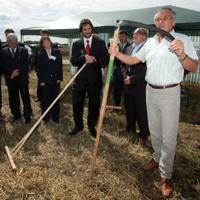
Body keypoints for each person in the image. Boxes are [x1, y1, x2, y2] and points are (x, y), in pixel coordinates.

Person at [109, 7, 198, 198]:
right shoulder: (149, 42)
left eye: (165, 19)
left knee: (168, 136)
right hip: (150, 91)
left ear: (173, 22)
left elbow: (193, 66)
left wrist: (182, 54)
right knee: (155, 131)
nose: (160, 22)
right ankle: (157, 157)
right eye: (157, 19)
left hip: (170, 92)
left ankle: (166, 176)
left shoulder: (182, 39)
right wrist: (117, 54)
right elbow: (134, 59)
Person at [70, 18, 108, 137]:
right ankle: (78, 126)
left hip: (94, 80)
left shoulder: (100, 43)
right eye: (85, 29)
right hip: (80, 79)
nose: (87, 31)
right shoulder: (76, 44)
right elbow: (73, 60)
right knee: (77, 103)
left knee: (94, 104)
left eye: (89, 28)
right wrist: (83, 58)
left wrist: (95, 60)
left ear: (92, 29)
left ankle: (91, 126)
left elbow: (105, 59)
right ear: (81, 31)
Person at [123, 28, 149, 145]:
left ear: (144, 36)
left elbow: (147, 70)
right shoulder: (129, 48)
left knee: (141, 110)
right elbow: (123, 64)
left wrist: (132, 79)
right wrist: (124, 76)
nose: (133, 36)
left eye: (136, 34)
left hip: (140, 85)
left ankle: (143, 134)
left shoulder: (148, 49)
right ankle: (130, 129)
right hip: (127, 84)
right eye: (133, 34)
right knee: (129, 108)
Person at [1, 33, 32, 123]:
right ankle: (16, 115)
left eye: (15, 43)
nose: (14, 45)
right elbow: (2, 65)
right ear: (8, 42)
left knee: (25, 96)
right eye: (12, 44)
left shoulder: (24, 51)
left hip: (22, 77)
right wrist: (11, 73)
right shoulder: (3, 51)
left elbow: (26, 64)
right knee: (13, 97)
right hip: (10, 78)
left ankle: (27, 115)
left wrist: (17, 72)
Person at [37, 37, 63, 123]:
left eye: (48, 41)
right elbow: (39, 69)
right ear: (42, 44)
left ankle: (55, 117)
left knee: (55, 99)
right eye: (44, 42)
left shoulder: (57, 52)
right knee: (45, 100)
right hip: (45, 81)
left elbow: (60, 66)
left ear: (50, 42)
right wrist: (41, 81)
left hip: (55, 80)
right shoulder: (40, 54)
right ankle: (45, 117)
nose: (46, 43)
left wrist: (59, 78)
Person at [112, 30, 130, 110]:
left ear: (126, 37)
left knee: (126, 90)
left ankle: (127, 107)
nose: (121, 38)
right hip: (117, 70)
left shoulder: (131, 46)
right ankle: (116, 106)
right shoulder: (115, 46)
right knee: (116, 89)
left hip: (126, 71)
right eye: (119, 37)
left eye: (122, 36)